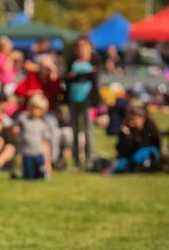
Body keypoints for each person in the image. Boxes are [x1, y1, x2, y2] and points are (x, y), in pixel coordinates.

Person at [65, 36, 101, 171]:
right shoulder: (71, 60)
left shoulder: (95, 59)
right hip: (73, 99)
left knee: (88, 131)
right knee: (74, 131)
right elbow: (67, 77)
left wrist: (78, 73)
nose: (81, 49)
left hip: (87, 100)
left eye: (84, 46)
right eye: (79, 46)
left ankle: (90, 161)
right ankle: (76, 162)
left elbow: (96, 77)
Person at [109, 106, 161, 174]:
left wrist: (135, 136)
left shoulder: (150, 127)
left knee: (140, 154)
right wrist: (127, 137)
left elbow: (151, 145)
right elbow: (120, 149)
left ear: (142, 118)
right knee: (120, 163)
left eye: (133, 119)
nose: (131, 122)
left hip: (148, 154)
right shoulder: (127, 129)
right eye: (129, 119)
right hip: (131, 156)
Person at [14, 94, 52, 180]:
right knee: (28, 177)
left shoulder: (43, 124)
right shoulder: (23, 120)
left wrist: (48, 162)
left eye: (38, 109)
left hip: (39, 154)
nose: (35, 111)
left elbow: (45, 143)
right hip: (27, 153)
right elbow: (15, 129)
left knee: (41, 176)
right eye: (33, 107)